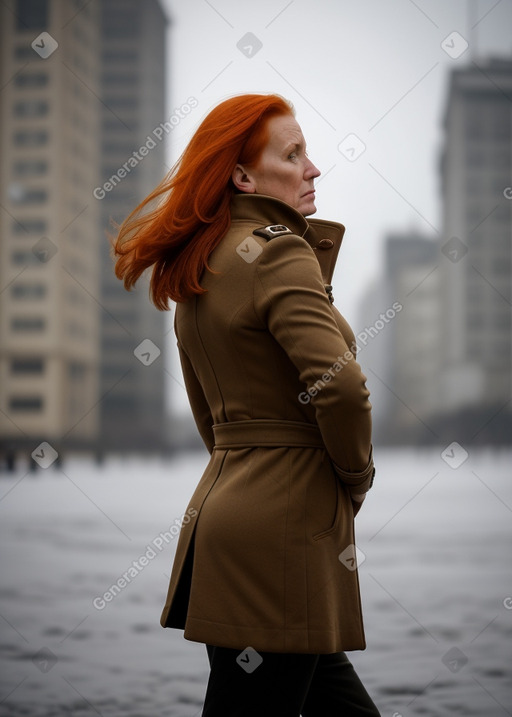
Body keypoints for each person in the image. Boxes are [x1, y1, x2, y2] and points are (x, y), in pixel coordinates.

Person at [113, 94, 380, 716]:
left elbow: (209, 416)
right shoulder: (280, 251)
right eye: (294, 155)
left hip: (228, 522)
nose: (313, 169)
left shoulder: (202, 265)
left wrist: (253, 467)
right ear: (242, 176)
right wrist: (354, 478)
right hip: (285, 537)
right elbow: (340, 386)